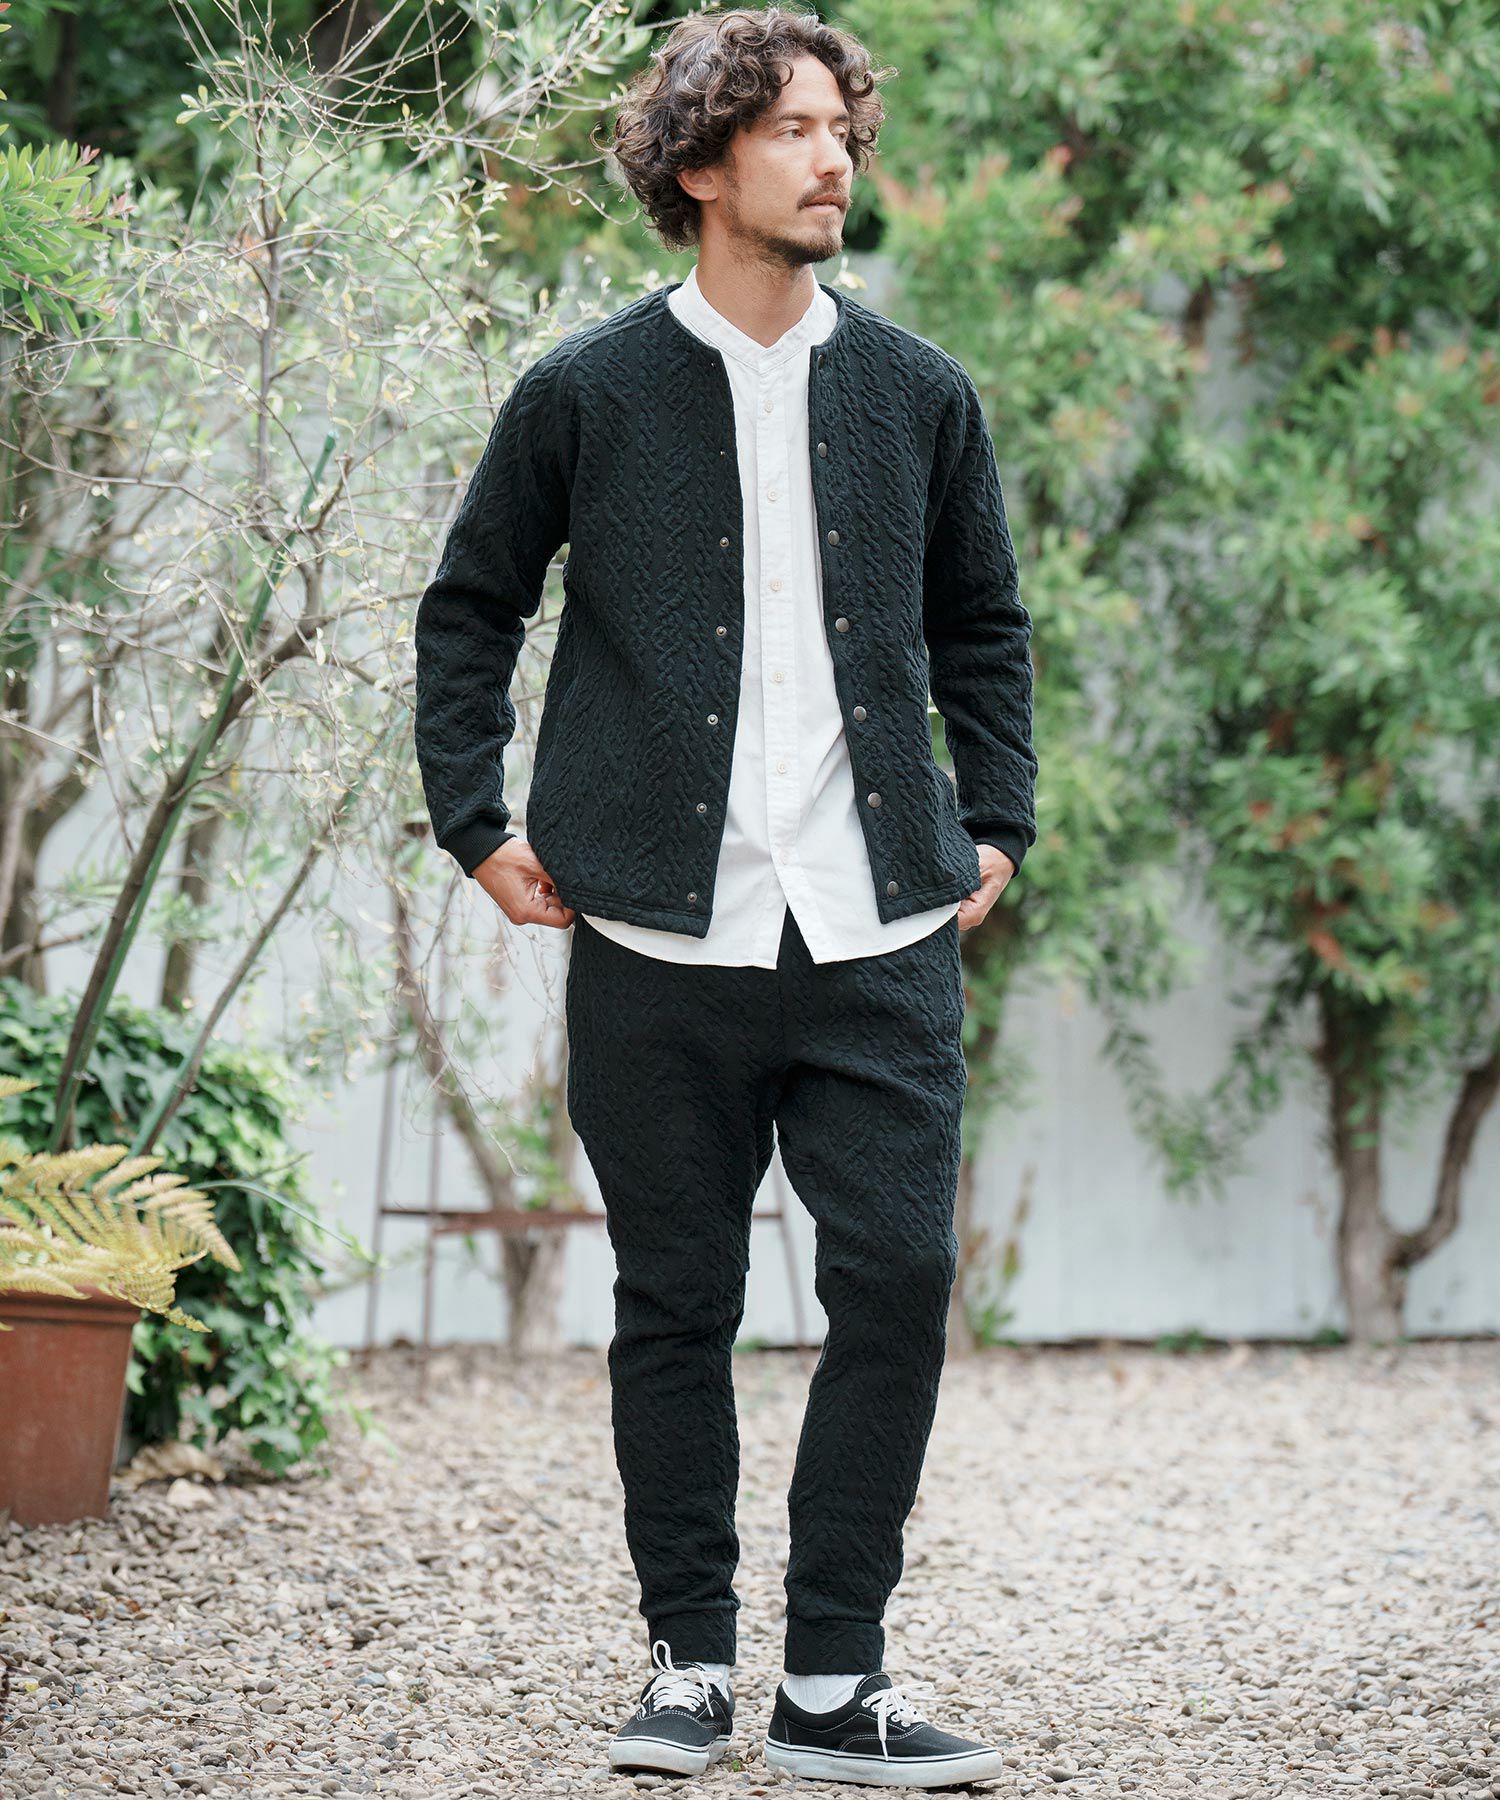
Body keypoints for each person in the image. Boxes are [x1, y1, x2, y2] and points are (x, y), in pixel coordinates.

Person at [413, 6, 1037, 1786]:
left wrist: (998, 824)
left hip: (878, 931)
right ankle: (688, 1660)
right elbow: (472, 608)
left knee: (896, 1278)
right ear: (700, 165)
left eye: (844, 130)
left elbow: (985, 626)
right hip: (656, 941)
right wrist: (475, 821)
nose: (835, 160)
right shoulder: (586, 391)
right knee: (675, 1301)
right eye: (794, 132)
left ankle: (836, 1678)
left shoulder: (918, 392)